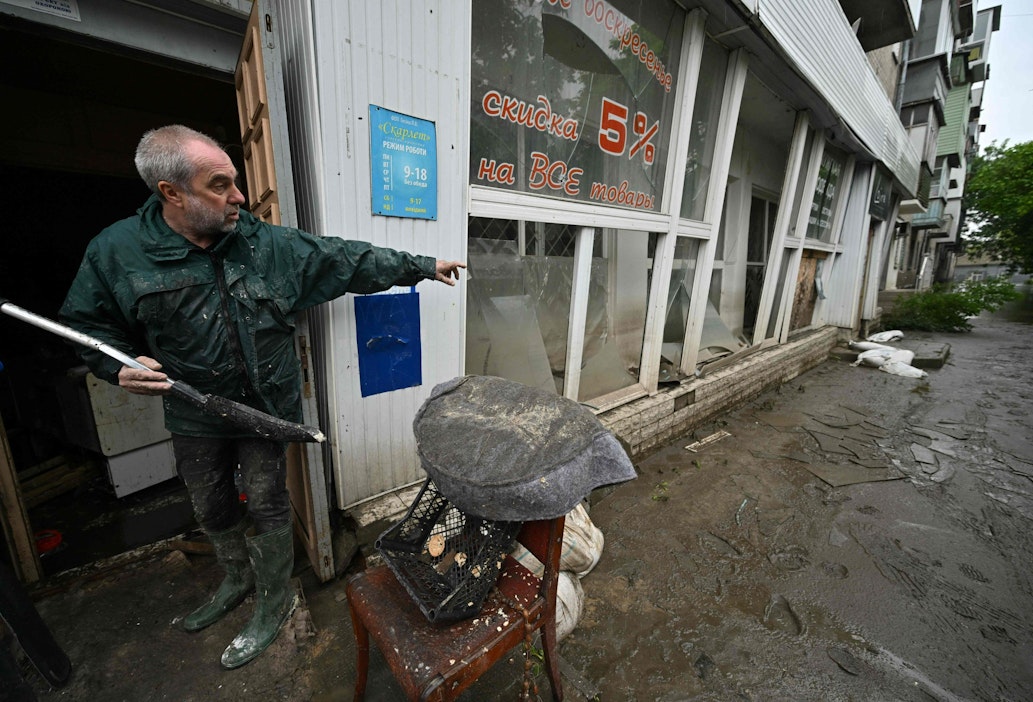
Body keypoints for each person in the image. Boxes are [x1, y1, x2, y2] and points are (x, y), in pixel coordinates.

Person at [59, 125, 465, 669]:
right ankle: (235, 579)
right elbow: (86, 323)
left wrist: (420, 266)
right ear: (171, 193)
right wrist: (116, 366)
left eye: (236, 181)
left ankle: (274, 597)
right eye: (219, 185)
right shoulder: (116, 252)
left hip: (265, 410)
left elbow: (347, 259)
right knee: (210, 504)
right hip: (193, 409)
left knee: (268, 502)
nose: (239, 197)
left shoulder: (267, 245)